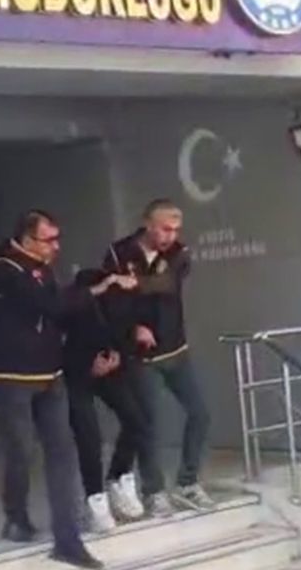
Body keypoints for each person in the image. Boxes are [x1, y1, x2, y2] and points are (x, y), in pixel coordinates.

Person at [0, 210, 134, 569]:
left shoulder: (42, 267)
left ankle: (67, 539)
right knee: (19, 450)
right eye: (49, 240)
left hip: (49, 371)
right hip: (9, 374)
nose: (56, 247)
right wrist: (99, 288)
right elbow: (48, 304)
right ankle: (16, 515)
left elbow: (59, 313)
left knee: (63, 452)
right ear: (26, 239)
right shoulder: (1, 269)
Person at [103, 199, 213, 513]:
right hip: (141, 357)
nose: (171, 236)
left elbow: (167, 283)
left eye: (176, 229)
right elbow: (111, 300)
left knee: (200, 414)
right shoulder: (119, 253)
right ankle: (153, 492)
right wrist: (133, 327)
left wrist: (132, 283)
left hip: (175, 348)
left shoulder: (179, 252)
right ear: (148, 224)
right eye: (165, 229)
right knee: (148, 423)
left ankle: (188, 482)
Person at [62, 269, 157, 533]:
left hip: (108, 368)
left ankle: (118, 476)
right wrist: (87, 365)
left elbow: (122, 333)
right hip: (76, 373)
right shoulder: (72, 304)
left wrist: (117, 355)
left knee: (137, 420)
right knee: (89, 437)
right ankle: (95, 499)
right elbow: (60, 345)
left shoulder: (121, 300)